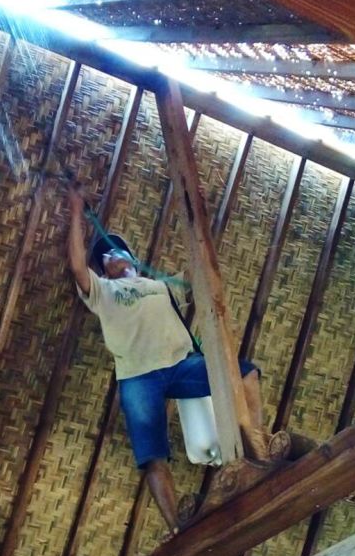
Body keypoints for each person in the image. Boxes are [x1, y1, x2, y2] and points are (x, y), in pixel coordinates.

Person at [65, 183, 271, 537]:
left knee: (246, 372)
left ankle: (259, 453)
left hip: (180, 365)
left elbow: (190, 304)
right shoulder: (102, 292)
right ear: (103, 268)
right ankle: (179, 528)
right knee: (151, 454)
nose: (115, 255)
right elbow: (77, 266)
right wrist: (74, 212)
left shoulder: (158, 286)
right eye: (107, 256)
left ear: (130, 256)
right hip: (138, 377)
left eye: (119, 250)